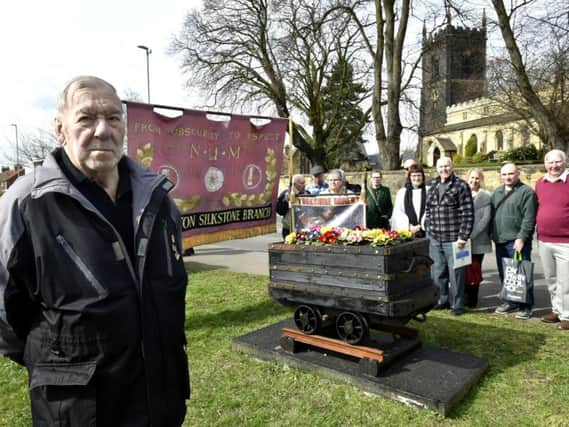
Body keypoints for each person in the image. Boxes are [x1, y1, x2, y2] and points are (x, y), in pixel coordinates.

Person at [0, 76, 190, 425]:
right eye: (86, 118)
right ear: (60, 129)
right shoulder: (27, 204)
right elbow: (6, 319)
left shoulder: (159, 201)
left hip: (160, 402)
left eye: (113, 118)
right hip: (80, 410)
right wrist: (61, 360)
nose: (103, 130)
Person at [425, 157, 474, 316]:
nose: (443, 169)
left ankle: (457, 304)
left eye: (446, 166)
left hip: (455, 239)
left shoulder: (461, 185)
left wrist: (463, 237)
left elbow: (468, 213)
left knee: (457, 274)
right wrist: (428, 229)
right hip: (435, 237)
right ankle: (442, 300)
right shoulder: (433, 184)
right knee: (438, 273)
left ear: (452, 167)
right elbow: (428, 209)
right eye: (440, 167)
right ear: (436, 168)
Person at [491, 162, 537, 320]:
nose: (507, 177)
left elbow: (529, 218)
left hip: (517, 241)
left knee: (521, 273)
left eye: (510, 174)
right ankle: (509, 301)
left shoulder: (527, 192)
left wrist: (522, 237)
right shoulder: (497, 192)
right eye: (504, 174)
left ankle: (526, 306)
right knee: (505, 273)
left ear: (518, 174)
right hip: (500, 240)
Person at [535, 149, 569, 330]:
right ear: (545, 164)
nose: (554, 166)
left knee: (566, 281)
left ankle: (567, 315)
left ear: (565, 162)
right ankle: (556, 310)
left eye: (558, 162)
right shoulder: (540, 182)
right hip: (544, 239)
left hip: (566, 241)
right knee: (552, 279)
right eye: (550, 162)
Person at [464, 168, 493, 308]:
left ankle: (472, 300)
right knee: (462, 270)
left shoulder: (485, 196)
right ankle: (463, 297)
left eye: (477, 178)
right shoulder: (461, 194)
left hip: (478, 240)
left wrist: (470, 235)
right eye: (472, 177)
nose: (474, 181)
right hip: (461, 241)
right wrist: (462, 236)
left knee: (474, 271)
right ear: (467, 178)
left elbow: (485, 220)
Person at [391, 163, 428, 237]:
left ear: (423, 177)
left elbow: (431, 211)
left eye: (419, 175)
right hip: (407, 232)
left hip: (426, 231)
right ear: (409, 177)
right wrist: (408, 226)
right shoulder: (402, 192)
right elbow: (398, 212)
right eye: (414, 176)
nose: (416, 178)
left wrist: (421, 225)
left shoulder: (429, 191)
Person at [276, 174, 307, 239]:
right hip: (288, 229)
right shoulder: (285, 194)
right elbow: (280, 211)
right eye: (302, 183)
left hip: (303, 229)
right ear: (295, 184)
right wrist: (287, 200)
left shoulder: (307, 194)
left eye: (304, 183)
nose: (304, 185)